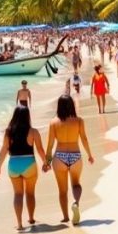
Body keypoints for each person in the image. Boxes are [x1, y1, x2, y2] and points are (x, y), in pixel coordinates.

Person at [44, 94, 95, 225]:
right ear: (72, 105)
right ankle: (76, 203)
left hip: (59, 156)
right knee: (76, 184)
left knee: (62, 190)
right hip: (75, 156)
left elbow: (49, 145)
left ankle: (66, 216)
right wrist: (89, 154)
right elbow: (84, 139)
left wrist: (47, 162)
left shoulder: (54, 122)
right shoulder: (78, 120)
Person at [0, 105, 46, 230]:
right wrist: (46, 162)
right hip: (29, 163)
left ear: (15, 116)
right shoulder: (33, 131)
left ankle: (19, 224)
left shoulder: (9, 132)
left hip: (13, 164)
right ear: (27, 116)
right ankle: (31, 218)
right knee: (30, 193)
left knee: (18, 194)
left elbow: (4, 149)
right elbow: (40, 149)